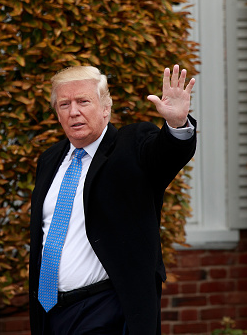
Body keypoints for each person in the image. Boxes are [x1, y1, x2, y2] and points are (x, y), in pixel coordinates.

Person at [29, 65, 197, 334]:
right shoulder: (49, 160)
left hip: (107, 308)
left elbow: (166, 155)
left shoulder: (131, 145)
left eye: (83, 101)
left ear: (105, 107)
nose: (74, 111)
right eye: (64, 104)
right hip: (51, 312)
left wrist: (177, 124)